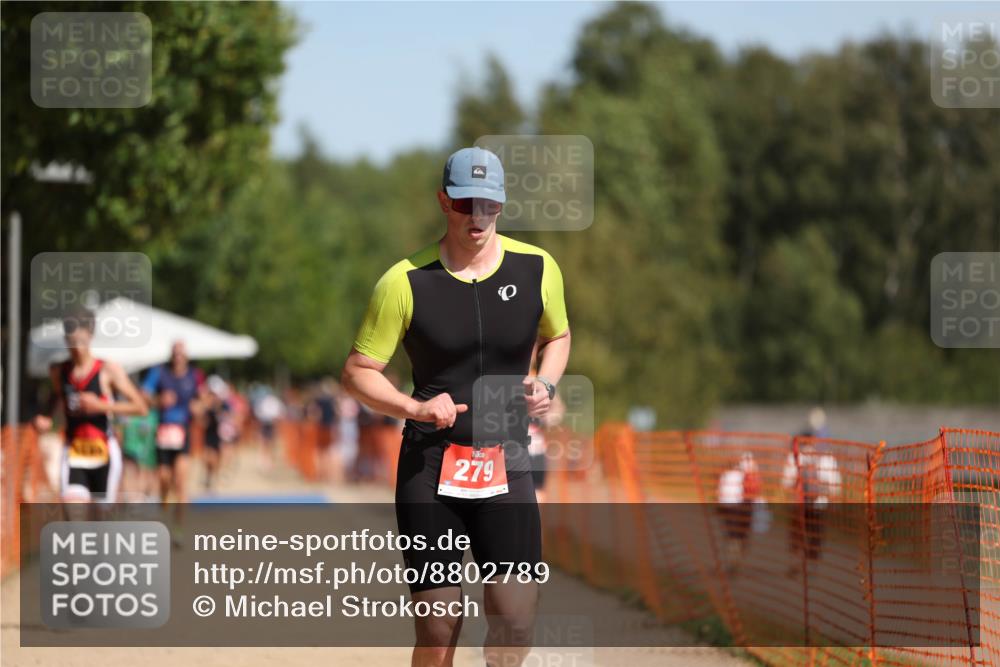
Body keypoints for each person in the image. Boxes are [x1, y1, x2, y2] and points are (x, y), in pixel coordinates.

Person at [341, 146, 571, 667]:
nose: (478, 216)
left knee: (514, 617)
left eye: (489, 204)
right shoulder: (403, 281)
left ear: (502, 205)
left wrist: (547, 385)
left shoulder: (538, 268)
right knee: (440, 625)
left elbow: (559, 334)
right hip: (430, 463)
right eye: (466, 203)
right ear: (444, 201)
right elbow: (356, 373)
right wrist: (412, 408)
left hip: (507, 459)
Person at [32, 306, 148, 504]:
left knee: (99, 523)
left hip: (103, 451)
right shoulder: (59, 371)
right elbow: (58, 400)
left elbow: (141, 407)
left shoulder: (107, 370)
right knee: (73, 511)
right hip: (74, 450)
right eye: (71, 340)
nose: (76, 347)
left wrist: (101, 407)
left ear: (90, 335)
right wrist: (46, 419)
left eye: (80, 340)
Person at [142, 341, 206, 529]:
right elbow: (143, 395)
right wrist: (158, 400)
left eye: (181, 353)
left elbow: (203, 401)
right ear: (171, 355)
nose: (178, 356)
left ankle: (179, 527)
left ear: (186, 355)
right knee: (164, 477)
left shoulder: (195, 375)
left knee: (180, 482)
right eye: (175, 353)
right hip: (163, 431)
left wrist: (198, 409)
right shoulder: (159, 372)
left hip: (183, 432)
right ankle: (163, 501)